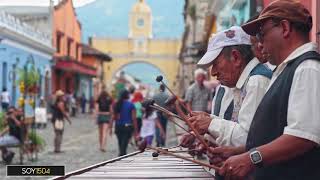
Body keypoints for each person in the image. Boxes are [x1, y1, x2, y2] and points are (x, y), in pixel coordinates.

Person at [217, 1, 320, 179]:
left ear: (285, 28)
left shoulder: (307, 68)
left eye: (261, 34)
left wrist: (250, 159)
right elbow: (276, 134)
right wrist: (237, 152)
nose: (260, 45)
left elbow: (303, 136)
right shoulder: (286, 70)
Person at [188, 26, 272, 148]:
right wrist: (208, 123)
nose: (213, 73)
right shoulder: (245, 82)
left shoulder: (256, 81)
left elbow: (248, 139)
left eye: (216, 64)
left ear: (236, 57)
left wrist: (211, 124)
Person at [112, 89, 138, 156]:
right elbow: (134, 119)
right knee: (124, 146)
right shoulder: (131, 105)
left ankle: (121, 156)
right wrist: (136, 131)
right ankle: (121, 157)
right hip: (127, 127)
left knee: (120, 144)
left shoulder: (116, 104)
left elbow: (114, 117)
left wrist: (110, 127)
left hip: (118, 127)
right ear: (127, 96)